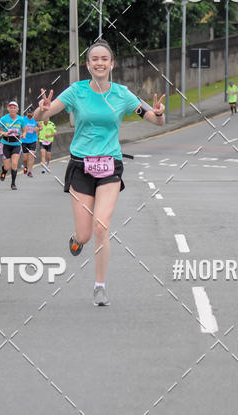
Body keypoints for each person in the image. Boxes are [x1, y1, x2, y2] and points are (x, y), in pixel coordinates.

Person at [34, 41, 165, 307]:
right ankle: (76, 240)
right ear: (88, 64)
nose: (99, 63)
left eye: (104, 59)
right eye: (94, 59)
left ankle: (99, 286)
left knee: (101, 226)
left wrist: (160, 114)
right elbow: (40, 117)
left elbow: (154, 119)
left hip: (110, 166)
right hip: (81, 165)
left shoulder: (122, 94)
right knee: (84, 235)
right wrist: (42, 109)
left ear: (112, 64)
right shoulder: (76, 91)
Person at [0, 100, 26, 189]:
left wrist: (23, 134)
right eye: (11, 108)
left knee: (15, 164)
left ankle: (13, 183)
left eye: (14, 108)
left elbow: (24, 130)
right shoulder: (4, 119)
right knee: (7, 166)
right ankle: (4, 171)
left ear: (17, 109)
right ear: (8, 109)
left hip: (16, 144)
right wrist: (3, 133)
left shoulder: (20, 119)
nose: (12, 109)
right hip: (6, 144)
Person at [21, 106, 38, 178]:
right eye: (28, 113)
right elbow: (19, 127)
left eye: (31, 113)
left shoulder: (36, 119)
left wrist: (37, 128)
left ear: (33, 113)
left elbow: (41, 127)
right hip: (24, 140)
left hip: (33, 140)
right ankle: (25, 167)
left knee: (31, 156)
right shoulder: (23, 119)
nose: (29, 114)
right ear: (27, 113)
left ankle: (30, 171)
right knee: (25, 158)